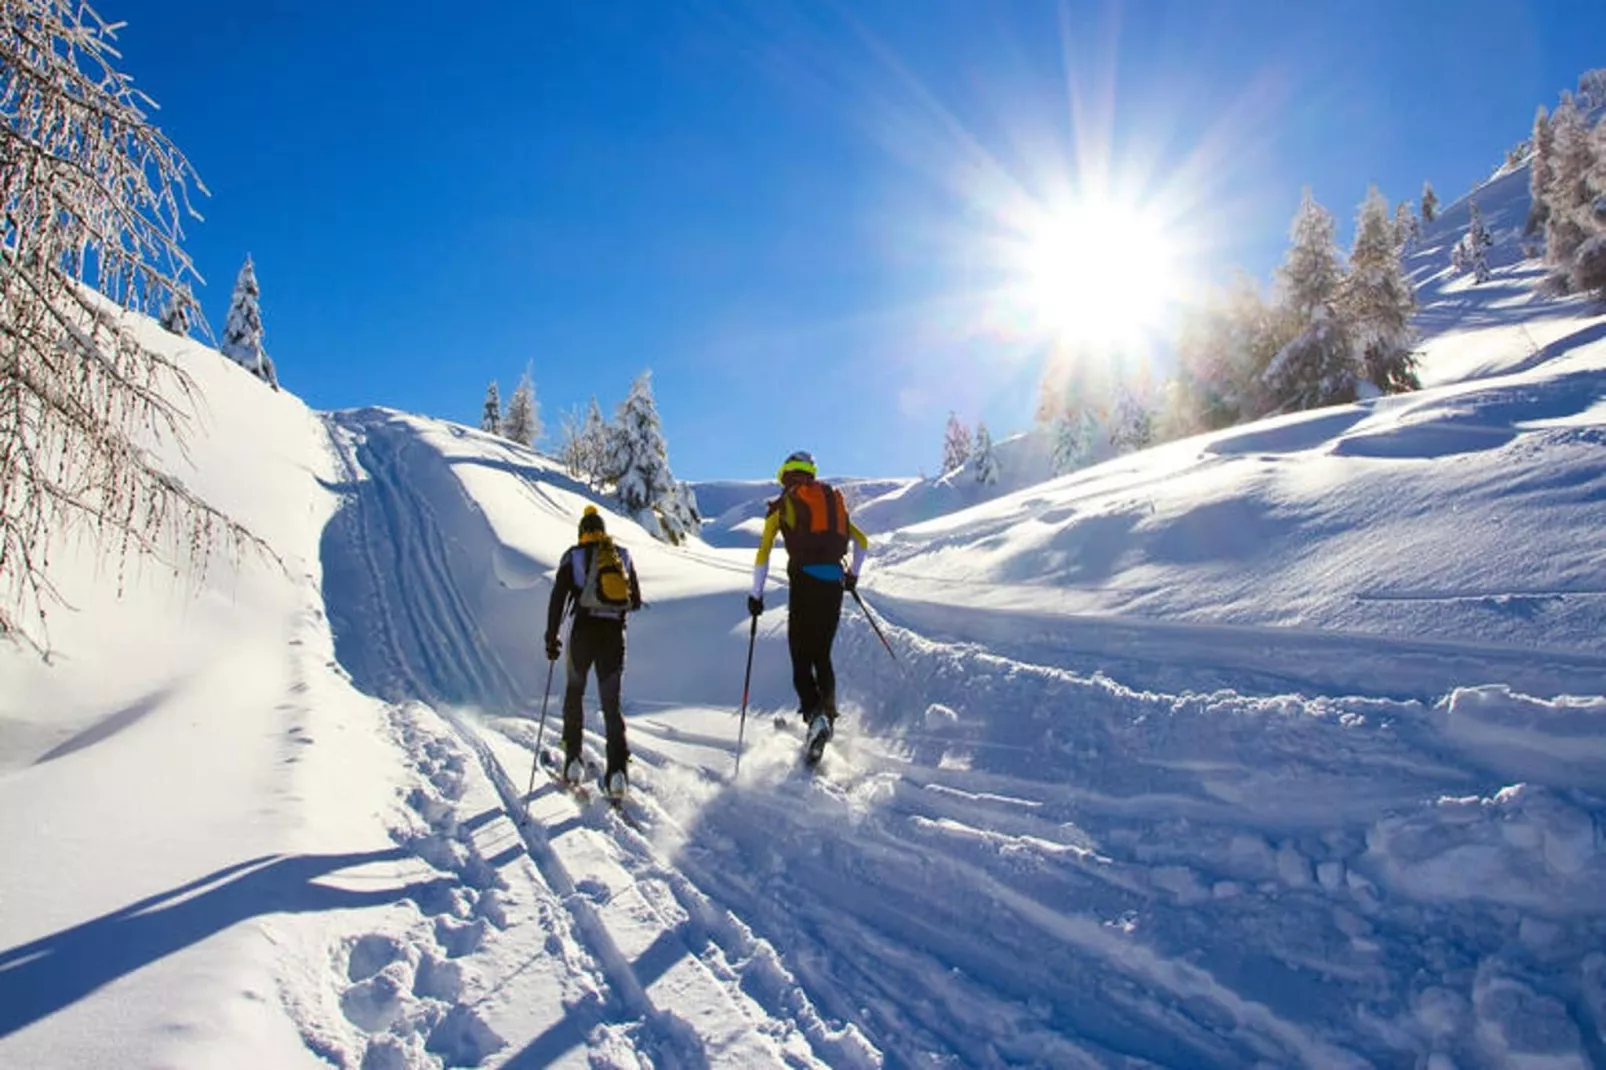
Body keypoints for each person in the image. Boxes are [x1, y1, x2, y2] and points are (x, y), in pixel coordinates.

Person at [748, 450, 869, 752]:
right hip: (833, 583)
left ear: (786, 476)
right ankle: (826, 719)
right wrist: (852, 576)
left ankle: (816, 717)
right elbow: (862, 543)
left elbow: (763, 553)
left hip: (804, 581)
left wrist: (756, 595)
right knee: (822, 655)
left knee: (801, 658)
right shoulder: (830, 503)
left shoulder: (783, 504)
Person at [545, 505, 642, 796]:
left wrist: (551, 638)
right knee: (611, 704)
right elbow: (635, 600)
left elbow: (557, 599)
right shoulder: (621, 555)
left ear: (582, 533)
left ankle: (573, 759)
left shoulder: (572, 556)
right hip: (613, 636)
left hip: (582, 635)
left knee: (575, 692)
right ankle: (618, 774)